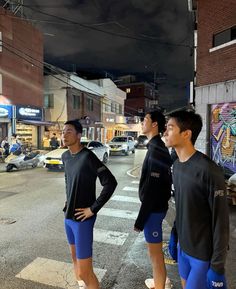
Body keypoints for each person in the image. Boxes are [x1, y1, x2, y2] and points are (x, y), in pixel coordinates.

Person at [164, 110, 229, 289]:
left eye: (170, 128)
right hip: (183, 248)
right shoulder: (176, 166)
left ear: (186, 134)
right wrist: (174, 235)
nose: (165, 133)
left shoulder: (209, 170)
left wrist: (217, 266)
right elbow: (183, 206)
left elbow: (221, 221)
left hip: (202, 254)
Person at [61, 119, 117, 289]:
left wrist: (93, 209)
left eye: (69, 131)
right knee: (74, 260)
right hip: (68, 217)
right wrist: (67, 201)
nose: (64, 134)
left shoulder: (88, 157)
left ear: (79, 135)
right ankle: (82, 285)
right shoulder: (65, 156)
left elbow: (110, 183)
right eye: (63, 131)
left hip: (82, 220)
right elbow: (68, 181)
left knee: (86, 271)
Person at [134, 110, 173, 289]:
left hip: (153, 211)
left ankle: (160, 285)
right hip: (156, 208)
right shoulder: (155, 146)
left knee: (156, 256)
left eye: (145, 120)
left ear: (155, 124)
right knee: (155, 255)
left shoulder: (156, 149)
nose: (142, 122)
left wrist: (140, 220)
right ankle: (161, 281)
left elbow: (151, 189)